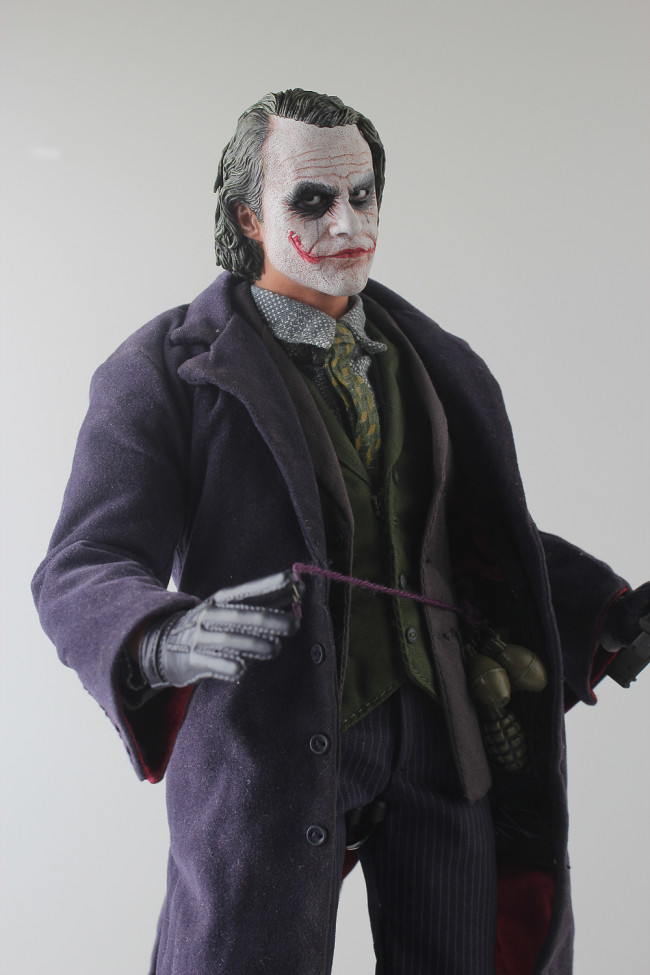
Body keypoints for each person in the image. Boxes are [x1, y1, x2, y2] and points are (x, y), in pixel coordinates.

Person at [32, 88, 649, 975]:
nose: (346, 222)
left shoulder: (433, 361)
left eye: (363, 195)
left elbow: (462, 541)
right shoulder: (164, 369)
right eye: (312, 200)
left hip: (442, 737)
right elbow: (84, 561)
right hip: (271, 740)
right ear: (247, 217)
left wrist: (603, 611)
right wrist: (160, 635)